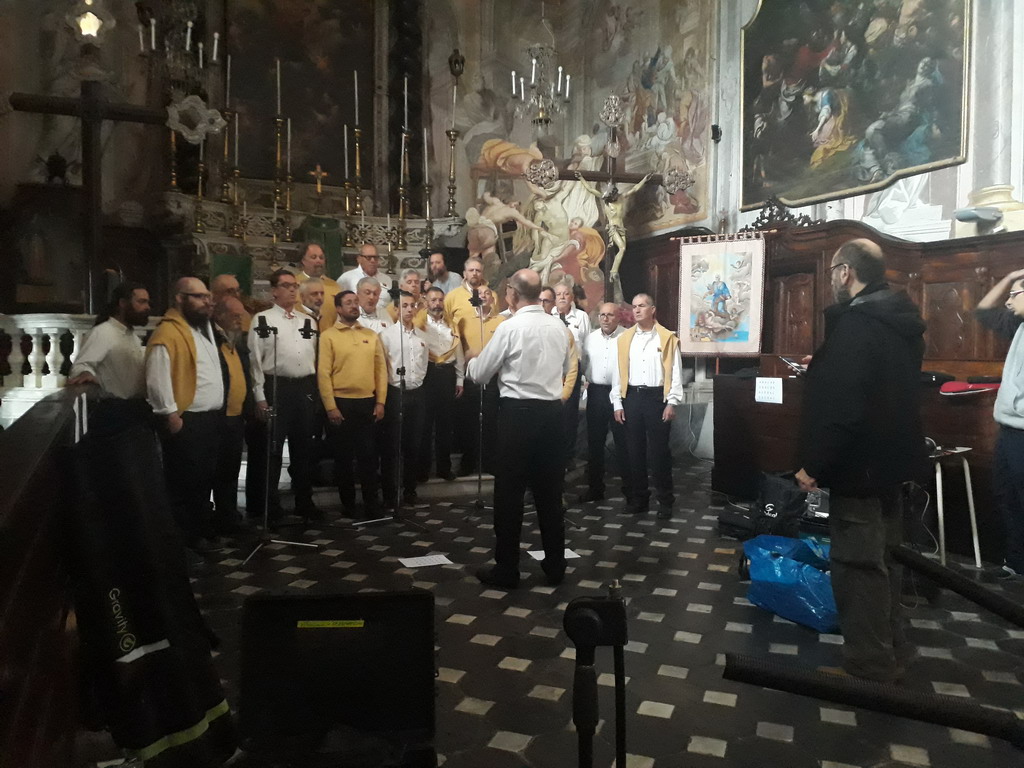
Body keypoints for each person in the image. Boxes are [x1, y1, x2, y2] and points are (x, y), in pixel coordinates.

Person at [795, 238, 927, 682]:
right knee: (886, 559)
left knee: (857, 565)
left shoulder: (857, 324)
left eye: (833, 270)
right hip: (892, 462)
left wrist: (813, 465)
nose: (833, 279)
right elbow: (880, 382)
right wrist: (826, 367)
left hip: (860, 466)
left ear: (845, 272)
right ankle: (894, 647)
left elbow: (846, 408)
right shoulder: (899, 319)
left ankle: (869, 665)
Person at [467, 269, 575, 589]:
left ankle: (507, 570)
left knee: (509, 497)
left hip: (518, 417)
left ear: (513, 294)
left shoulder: (510, 327)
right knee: (550, 495)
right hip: (552, 416)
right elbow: (566, 367)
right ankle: (555, 566)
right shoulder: (558, 326)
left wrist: (472, 360)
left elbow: (481, 374)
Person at [146, 277, 226, 552]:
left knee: (203, 480)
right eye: (199, 297)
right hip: (186, 419)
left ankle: (200, 530)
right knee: (184, 483)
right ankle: (184, 540)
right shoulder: (168, 333)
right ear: (180, 299)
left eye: (207, 296)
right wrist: (170, 415)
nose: (207, 301)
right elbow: (157, 378)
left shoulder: (202, 329)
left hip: (208, 419)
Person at [248, 269, 320, 521]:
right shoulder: (263, 319)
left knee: (304, 448)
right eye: (286, 285)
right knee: (273, 448)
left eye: (294, 286)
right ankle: (270, 506)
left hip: (304, 388)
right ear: (274, 291)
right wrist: (259, 395)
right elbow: (255, 361)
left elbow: (313, 357)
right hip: (276, 387)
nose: (292, 289)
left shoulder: (307, 321)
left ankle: (304, 502)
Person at [611, 293, 684, 519]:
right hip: (632, 397)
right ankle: (639, 499)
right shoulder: (624, 339)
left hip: (656, 398)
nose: (636, 310)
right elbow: (618, 372)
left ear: (652, 309)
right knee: (634, 452)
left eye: (642, 306)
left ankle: (665, 501)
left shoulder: (667, 338)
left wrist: (672, 402)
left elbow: (675, 371)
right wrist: (617, 402)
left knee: (659, 452)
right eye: (634, 306)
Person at [318, 290, 389, 518]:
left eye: (355, 302)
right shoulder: (328, 336)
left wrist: (380, 401)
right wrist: (330, 406)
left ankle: (372, 504)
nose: (353, 306)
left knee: (369, 457)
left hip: (367, 402)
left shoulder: (371, 334)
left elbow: (381, 370)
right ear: (338, 309)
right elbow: (323, 373)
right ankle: (348, 505)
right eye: (348, 303)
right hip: (341, 403)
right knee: (344, 459)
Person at [975, 269, 1024, 580]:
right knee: (1007, 496)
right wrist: (1009, 278)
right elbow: (982, 311)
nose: (1007, 301)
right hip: (1009, 430)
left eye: (1014, 295)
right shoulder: (1019, 325)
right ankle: (1016, 564)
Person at [380, 292, 431, 507]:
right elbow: (383, 366)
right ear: (396, 309)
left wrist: (417, 380)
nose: (409, 309)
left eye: (412, 305)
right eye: (405, 306)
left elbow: (424, 363)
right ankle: (390, 494)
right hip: (395, 393)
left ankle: (410, 490)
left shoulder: (422, 336)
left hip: (416, 393)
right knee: (392, 446)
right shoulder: (387, 336)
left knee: (413, 444)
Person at [581, 302, 632, 504]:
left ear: (618, 317)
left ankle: (630, 491)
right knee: (594, 444)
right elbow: (584, 364)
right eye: (602, 315)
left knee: (623, 443)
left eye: (610, 315)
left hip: (621, 394)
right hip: (596, 393)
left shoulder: (627, 337)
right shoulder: (590, 339)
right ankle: (595, 489)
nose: (605, 318)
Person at [68, 281, 150, 398]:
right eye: (141, 302)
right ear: (123, 303)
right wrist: (85, 373)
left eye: (147, 302)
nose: (147, 307)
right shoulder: (102, 332)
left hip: (134, 404)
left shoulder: (133, 337)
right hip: (113, 406)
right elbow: (80, 366)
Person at [211, 297, 252, 536]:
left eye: (241, 316)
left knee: (231, 471)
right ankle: (217, 518)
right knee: (218, 471)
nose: (239, 320)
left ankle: (229, 515)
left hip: (236, 415)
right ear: (220, 316)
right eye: (235, 316)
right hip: (219, 416)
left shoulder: (235, 341)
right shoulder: (213, 340)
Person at [456, 283, 505, 476]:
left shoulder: (501, 321)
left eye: (487, 293)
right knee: (469, 422)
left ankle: (489, 462)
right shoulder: (463, 320)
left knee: (491, 422)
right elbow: (458, 347)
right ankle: (468, 463)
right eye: (480, 293)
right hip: (470, 377)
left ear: (493, 298)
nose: (483, 296)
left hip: (492, 378)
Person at [419, 286, 464, 481]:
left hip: (447, 375)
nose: (437, 304)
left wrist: (460, 379)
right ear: (426, 302)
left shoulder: (451, 325)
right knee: (425, 425)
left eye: (440, 300)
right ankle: (422, 469)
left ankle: (444, 468)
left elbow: (458, 351)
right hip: (427, 374)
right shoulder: (419, 324)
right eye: (433, 300)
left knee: (445, 425)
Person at [574, 172, 653, 277]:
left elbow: (634, 189)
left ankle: (614, 271)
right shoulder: (606, 200)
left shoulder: (622, 197)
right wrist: (581, 178)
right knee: (622, 248)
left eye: (613, 196)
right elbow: (591, 189)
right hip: (613, 227)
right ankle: (613, 271)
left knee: (623, 249)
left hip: (621, 227)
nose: (612, 198)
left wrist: (644, 180)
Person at [553, 281, 590, 472]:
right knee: (552, 416)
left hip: (573, 371)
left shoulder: (581, 317)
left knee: (570, 416)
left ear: (572, 297)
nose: (562, 297)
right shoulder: (549, 315)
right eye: (558, 294)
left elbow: (587, 346)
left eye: (566, 293)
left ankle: (568, 456)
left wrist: (586, 375)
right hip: (551, 372)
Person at [296, 242, 341, 330]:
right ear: (303, 260)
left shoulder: (334, 286)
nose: (318, 261)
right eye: (314, 257)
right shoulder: (294, 284)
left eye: (321, 257)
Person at [444, 256, 494, 331]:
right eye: (471, 270)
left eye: (478, 271)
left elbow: (496, 319)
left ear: (482, 274)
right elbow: (445, 323)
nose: (474, 273)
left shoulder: (492, 296)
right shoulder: (452, 296)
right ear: (464, 274)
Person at [338, 243, 392, 310]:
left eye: (375, 257)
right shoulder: (347, 278)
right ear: (359, 259)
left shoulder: (386, 279)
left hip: (382, 315)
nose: (372, 260)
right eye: (368, 257)